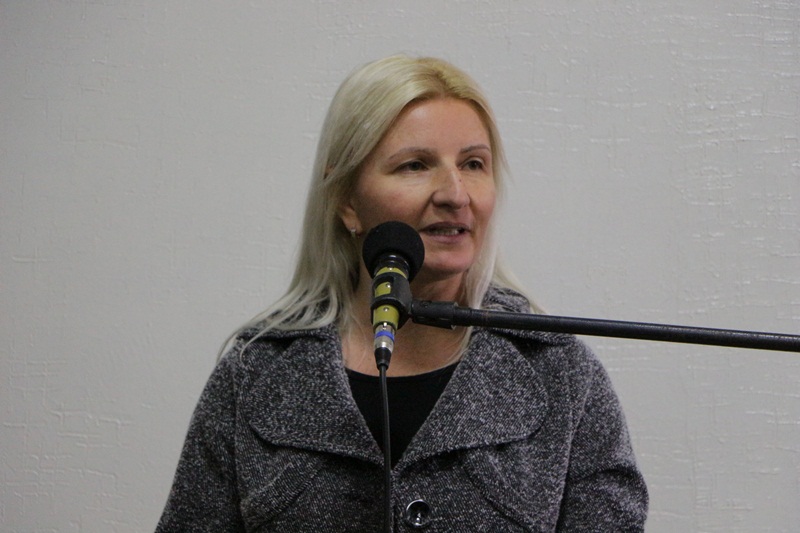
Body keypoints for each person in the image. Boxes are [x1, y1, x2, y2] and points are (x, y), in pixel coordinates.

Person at [156, 55, 648, 532]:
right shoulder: (257, 372)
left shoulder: (559, 373)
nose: (455, 193)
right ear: (346, 200)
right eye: (415, 165)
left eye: (474, 164)